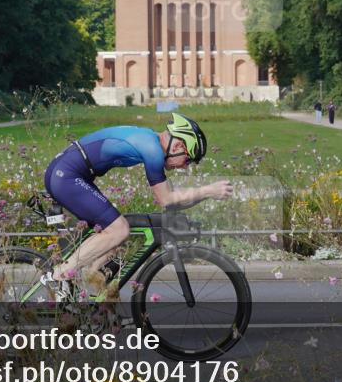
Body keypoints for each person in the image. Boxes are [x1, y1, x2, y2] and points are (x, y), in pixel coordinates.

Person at [41, 113, 232, 299]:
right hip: (66, 175)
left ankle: (92, 297)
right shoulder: (153, 150)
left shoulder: (151, 142)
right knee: (119, 230)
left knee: (113, 240)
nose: (184, 167)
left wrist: (205, 196)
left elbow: (173, 201)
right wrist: (208, 191)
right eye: (188, 159)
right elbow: (166, 199)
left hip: (71, 173)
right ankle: (59, 276)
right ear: (179, 145)